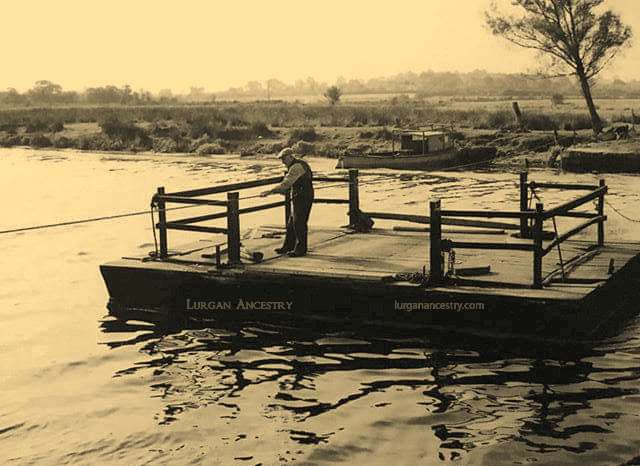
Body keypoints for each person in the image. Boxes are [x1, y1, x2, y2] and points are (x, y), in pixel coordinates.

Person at [261, 148, 314, 256]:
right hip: (299, 196)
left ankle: (301, 249)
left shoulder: (296, 167)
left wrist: (270, 191)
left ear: (290, 156)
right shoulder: (297, 165)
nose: (282, 162)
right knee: (291, 223)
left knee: (299, 223)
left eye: (284, 159)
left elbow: (286, 183)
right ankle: (288, 246)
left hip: (303, 197)